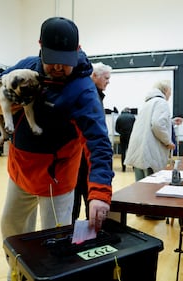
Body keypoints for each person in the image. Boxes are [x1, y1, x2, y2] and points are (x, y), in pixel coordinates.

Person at [0, 17, 114, 279]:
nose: (59, 66)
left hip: (57, 182)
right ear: (40, 47)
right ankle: (17, 275)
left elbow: (99, 144)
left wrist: (99, 193)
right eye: (52, 59)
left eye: (66, 60)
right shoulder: (26, 67)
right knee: (13, 234)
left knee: (55, 247)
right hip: (19, 174)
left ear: (77, 50)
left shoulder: (83, 91)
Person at [72, 62, 112, 221]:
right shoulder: (88, 96)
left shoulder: (96, 95)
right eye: (106, 78)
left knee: (88, 201)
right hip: (81, 159)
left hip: (87, 159)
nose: (108, 81)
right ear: (94, 76)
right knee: (76, 203)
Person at [124, 80, 175, 181]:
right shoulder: (161, 102)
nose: (170, 94)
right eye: (170, 91)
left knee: (140, 188)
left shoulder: (148, 103)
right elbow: (157, 124)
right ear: (165, 90)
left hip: (140, 152)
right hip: (151, 152)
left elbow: (151, 123)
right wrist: (168, 142)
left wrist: (171, 122)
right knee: (151, 188)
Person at [115, 107, 136, 172]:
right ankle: (133, 167)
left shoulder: (119, 117)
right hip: (131, 136)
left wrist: (121, 132)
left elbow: (116, 128)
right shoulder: (132, 117)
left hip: (122, 136)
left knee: (123, 151)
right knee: (132, 152)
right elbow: (136, 127)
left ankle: (123, 168)